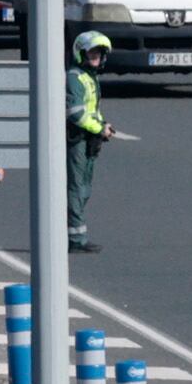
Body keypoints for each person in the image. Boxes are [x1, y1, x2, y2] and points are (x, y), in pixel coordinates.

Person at [67, 31, 112, 253]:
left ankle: (75, 234)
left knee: (84, 188)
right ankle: (75, 239)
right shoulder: (75, 77)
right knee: (76, 188)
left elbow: (93, 109)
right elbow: (75, 113)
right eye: (92, 52)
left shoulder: (89, 76)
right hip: (76, 139)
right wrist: (99, 128)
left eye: (99, 53)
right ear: (81, 53)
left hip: (88, 139)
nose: (96, 57)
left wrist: (103, 125)